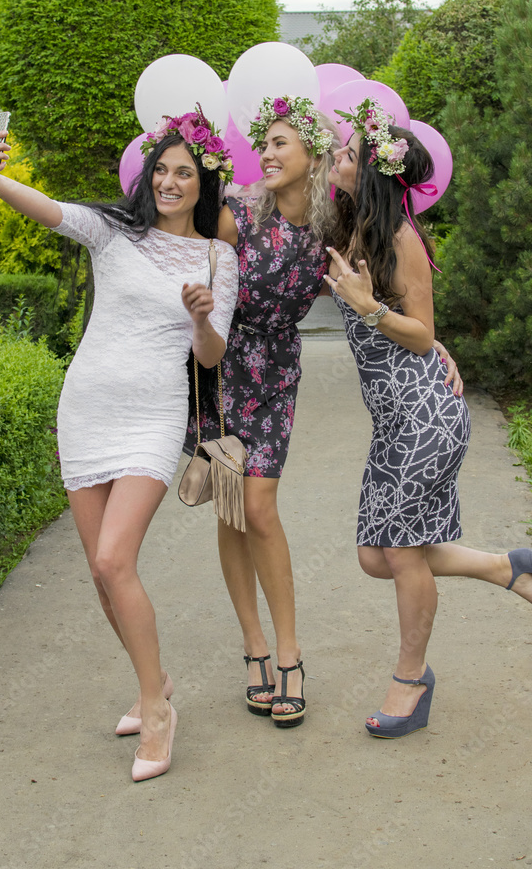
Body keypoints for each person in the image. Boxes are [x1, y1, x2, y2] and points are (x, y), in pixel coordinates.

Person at [0, 108, 239, 778]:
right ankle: (157, 680)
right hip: (86, 408)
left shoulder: (216, 258)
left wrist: (203, 317)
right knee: (99, 574)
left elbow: (209, 358)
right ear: (147, 176)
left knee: (115, 560)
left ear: (202, 185)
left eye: (185, 173)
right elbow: (47, 209)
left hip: (151, 416)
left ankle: (155, 708)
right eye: (162, 170)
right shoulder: (113, 232)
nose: (171, 182)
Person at [192, 95, 462, 727]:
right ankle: (256, 650)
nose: (268, 152)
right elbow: (173, 241)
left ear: (311, 153)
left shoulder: (330, 231)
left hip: (276, 375)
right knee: (231, 513)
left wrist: (432, 340)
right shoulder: (234, 213)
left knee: (258, 507)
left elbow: (389, 293)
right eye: (264, 143)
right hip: (220, 371)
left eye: (282, 142)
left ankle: (290, 654)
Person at [325, 97, 532, 739]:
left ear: (374, 174)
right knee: (373, 557)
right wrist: (332, 133)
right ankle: (508, 567)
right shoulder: (355, 224)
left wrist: (367, 307)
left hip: (424, 417)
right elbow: (326, 158)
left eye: (349, 154)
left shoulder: (402, 238)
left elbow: (423, 330)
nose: (338, 157)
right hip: (395, 420)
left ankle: (411, 680)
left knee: (401, 554)